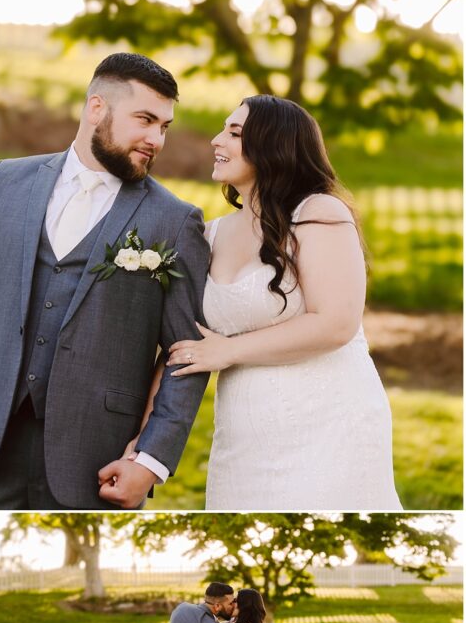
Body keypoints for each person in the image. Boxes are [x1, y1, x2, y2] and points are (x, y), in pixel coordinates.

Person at [0, 52, 210, 510]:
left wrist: (150, 460)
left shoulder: (174, 221)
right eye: (145, 120)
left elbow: (187, 354)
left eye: (164, 127)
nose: (156, 139)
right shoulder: (6, 182)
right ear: (97, 108)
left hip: (96, 460)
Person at [167, 95, 402, 509]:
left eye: (235, 133)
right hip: (243, 431)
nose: (217, 140)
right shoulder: (211, 234)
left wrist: (229, 350)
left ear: (273, 144)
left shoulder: (319, 212)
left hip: (327, 421)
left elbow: (336, 323)